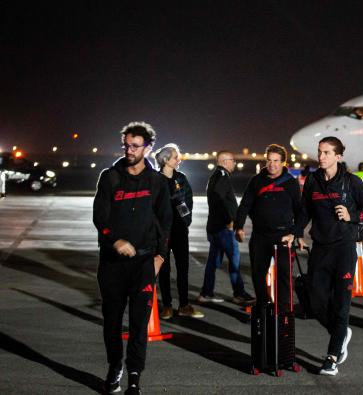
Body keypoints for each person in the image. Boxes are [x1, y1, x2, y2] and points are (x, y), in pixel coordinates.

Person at [93, 122, 172, 394]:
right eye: (126, 145)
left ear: (148, 148)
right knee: (112, 321)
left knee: (139, 324)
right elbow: (99, 218)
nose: (129, 150)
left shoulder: (158, 182)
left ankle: (135, 377)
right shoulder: (110, 177)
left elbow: (166, 223)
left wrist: (161, 257)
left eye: (135, 146)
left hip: (144, 263)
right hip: (112, 264)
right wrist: (114, 239)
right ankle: (115, 366)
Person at [295, 136, 363, 376]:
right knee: (315, 302)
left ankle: (331, 357)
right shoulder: (312, 180)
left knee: (342, 305)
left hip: (344, 249)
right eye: (320, 152)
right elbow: (305, 211)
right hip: (320, 248)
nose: (321, 157)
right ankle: (341, 332)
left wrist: (352, 216)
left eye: (326, 153)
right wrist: (296, 232)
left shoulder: (351, 182)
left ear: (338, 157)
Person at [234, 144, 302, 309]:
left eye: (276, 161)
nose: (272, 164)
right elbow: (245, 204)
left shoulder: (291, 183)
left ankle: (283, 310)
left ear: (283, 163)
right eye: (269, 160)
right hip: (260, 236)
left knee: (284, 276)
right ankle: (263, 308)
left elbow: (300, 211)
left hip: (283, 236)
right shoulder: (256, 181)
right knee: (258, 275)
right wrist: (239, 226)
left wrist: (297, 234)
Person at [198, 151, 255, 306]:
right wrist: (230, 221)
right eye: (232, 160)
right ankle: (239, 293)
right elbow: (220, 201)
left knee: (213, 262)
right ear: (224, 161)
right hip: (223, 228)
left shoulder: (215, 176)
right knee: (234, 260)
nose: (234, 163)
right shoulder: (222, 177)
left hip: (214, 227)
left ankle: (206, 292)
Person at [154, 144, 204, 320]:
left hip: (180, 230)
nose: (178, 160)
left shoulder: (181, 178)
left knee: (183, 269)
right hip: (162, 232)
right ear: (166, 160)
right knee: (164, 269)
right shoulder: (154, 179)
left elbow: (188, 201)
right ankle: (167, 306)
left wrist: (186, 220)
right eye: (175, 157)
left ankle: (184, 305)